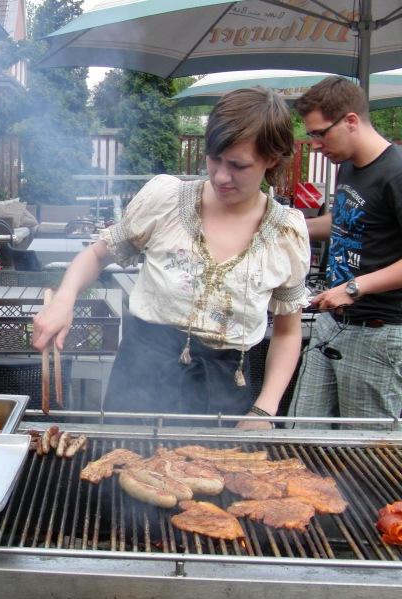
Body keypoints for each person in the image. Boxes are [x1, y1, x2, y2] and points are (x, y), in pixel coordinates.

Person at [34, 88, 311, 428]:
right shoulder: (165, 200)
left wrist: (264, 410)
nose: (221, 176)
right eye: (215, 158)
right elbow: (96, 255)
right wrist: (65, 297)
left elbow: (286, 332)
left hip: (225, 387)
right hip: (141, 375)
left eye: (239, 165)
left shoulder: (287, 235)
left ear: (272, 158)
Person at [288, 77, 402, 431]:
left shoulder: (397, 173)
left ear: (351, 121)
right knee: (300, 435)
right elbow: (344, 222)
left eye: (321, 133)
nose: (317, 144)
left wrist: (354, 288)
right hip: (332, 324)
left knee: (368, 455)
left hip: (379, 334)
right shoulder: (350, 167)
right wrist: (286, 224)